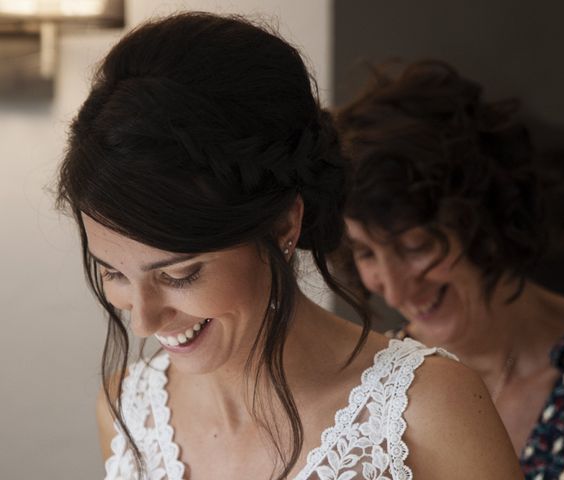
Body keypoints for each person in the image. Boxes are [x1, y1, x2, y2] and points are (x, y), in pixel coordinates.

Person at [55, 14, 522, 480]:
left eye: (180, 275)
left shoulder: (429, 408)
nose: (142, 321)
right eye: (113, 273)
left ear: (284, 223)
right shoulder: (128, 411)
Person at [334, 60, 564, 479]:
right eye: (367, 254)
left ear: (485, 222)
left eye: (415, 246)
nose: (396, 289)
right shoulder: (375, 388)